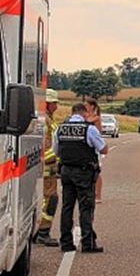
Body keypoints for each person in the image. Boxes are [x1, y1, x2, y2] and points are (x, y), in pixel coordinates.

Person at [54, 102, 108, 253]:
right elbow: (104, 149)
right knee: (86, 207)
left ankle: (66, 242)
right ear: (84, 114)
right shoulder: (89, 129)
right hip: (84, 173)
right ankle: (88, 243)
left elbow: (56, 151)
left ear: (72, 113)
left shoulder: (60, 128)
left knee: (67, 207)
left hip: (66, 172)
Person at [34, 89, 61, 246]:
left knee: (46, 199)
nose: (56, 106)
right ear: (48, 104)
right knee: (49, 199)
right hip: (47, 169)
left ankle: (39, 231)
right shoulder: (45, 121)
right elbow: (46, 148)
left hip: (47, 168)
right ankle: (43, 232)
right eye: (54, 103)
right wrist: (57, 160)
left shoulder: (46, 119)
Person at [83, 97, 105, 203]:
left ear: (92, 106)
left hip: (94, 147)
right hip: (85, 147)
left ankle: (98, 195)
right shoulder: (84, 117)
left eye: (86, 105)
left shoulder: (96, 118)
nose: (85, 107)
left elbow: (99, 133)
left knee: (96, 172)